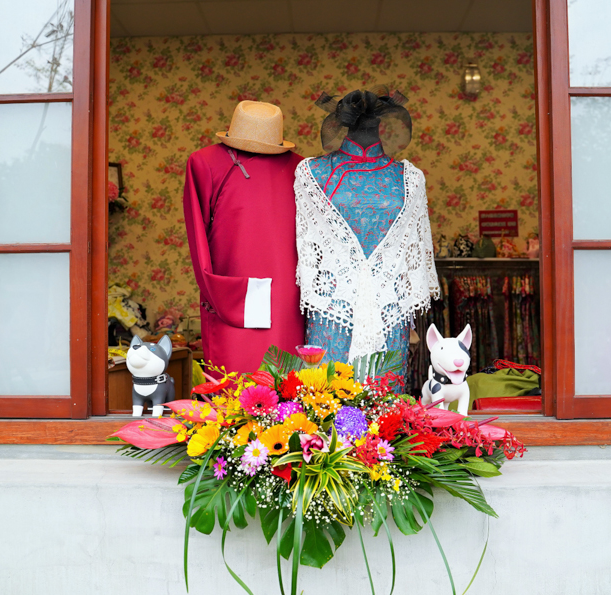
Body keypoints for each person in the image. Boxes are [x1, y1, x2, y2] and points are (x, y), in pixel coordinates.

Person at [294, 87, 439, 379]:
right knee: (326, 405)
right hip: (332, 313)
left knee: (386, 413)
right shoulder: (310, 174)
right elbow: (308, 250)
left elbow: (414, 258)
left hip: (389, 313)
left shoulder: (410, 179)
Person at [183, 101, 305, 374]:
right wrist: (214, 289)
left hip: (288, 295)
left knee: (285, 386)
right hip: (232, 288)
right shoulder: (204, 162)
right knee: (232, 387)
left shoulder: (303, 169)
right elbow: (198, 237)